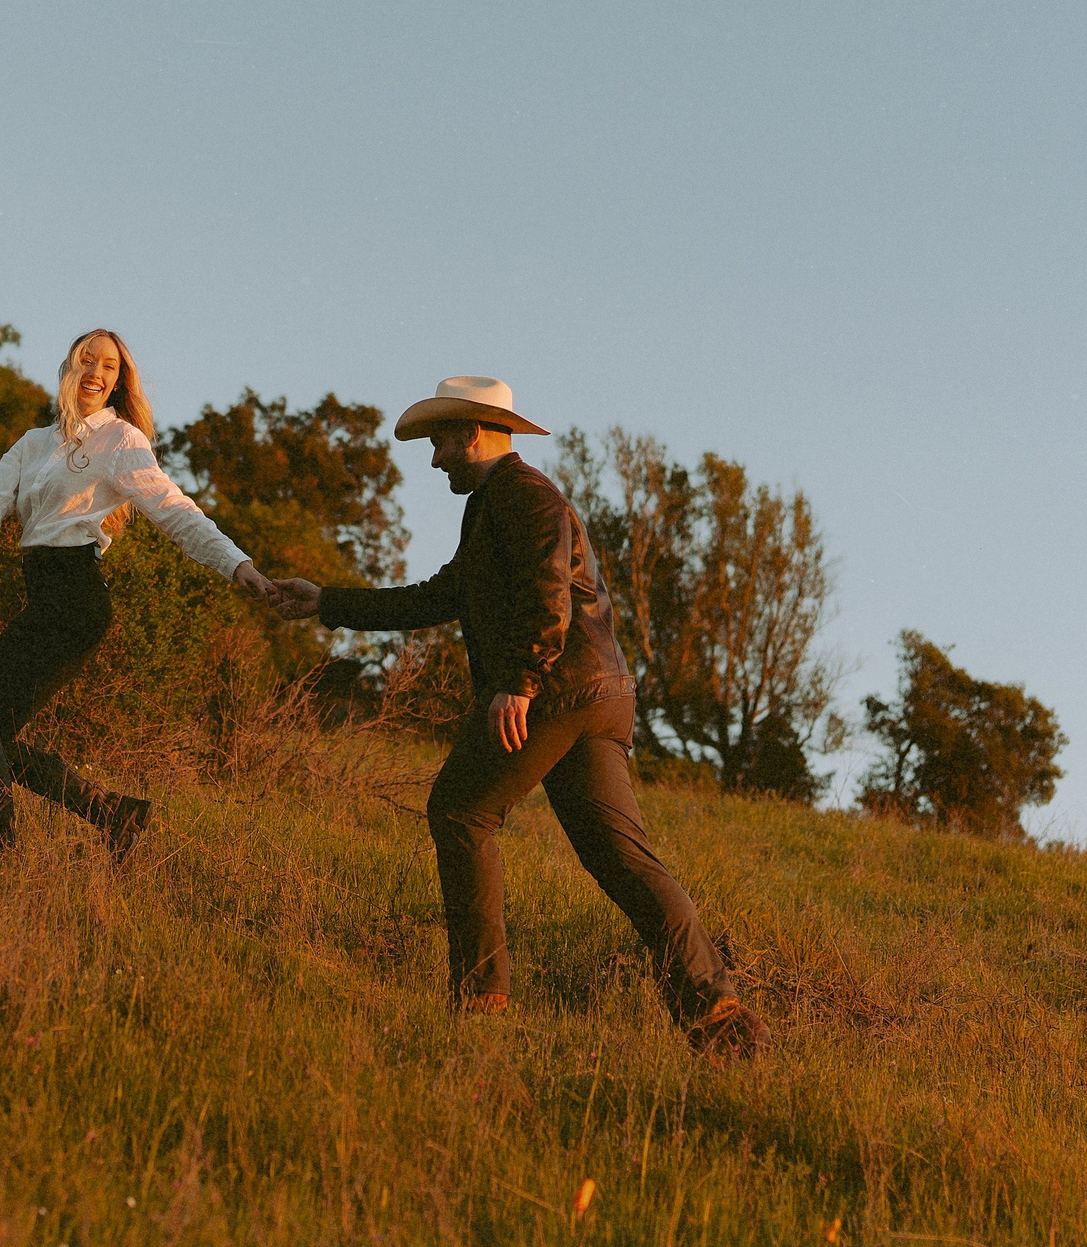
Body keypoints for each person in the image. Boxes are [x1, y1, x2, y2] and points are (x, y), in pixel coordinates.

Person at [274, 376, 769, 1060]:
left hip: (556, 691)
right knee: (620, 857)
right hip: (596, 695)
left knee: (460, 810)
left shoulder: (525, 496)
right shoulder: (493, 507)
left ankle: (480, 998)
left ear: (473, 433)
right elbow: (437, 595)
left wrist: (518, 681)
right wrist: (326, 602)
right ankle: (719, 1014)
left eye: (441, 441)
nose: (435, 458)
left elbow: (548, 587)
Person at [0, 328, 281, 862]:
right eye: (88, 360)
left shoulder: (121, 440)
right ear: (68, 368)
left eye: (110, 367)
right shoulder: (31, 444)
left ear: (119, 382)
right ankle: (113, 814)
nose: (97, 373)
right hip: (45, 593)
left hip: (76, 596)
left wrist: (236, 564)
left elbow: (174, 511)